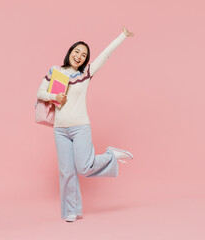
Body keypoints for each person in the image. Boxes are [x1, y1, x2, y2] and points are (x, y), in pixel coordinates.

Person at [37, 26, 135, 222]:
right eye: (77, 52)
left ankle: (110, 155)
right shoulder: (56, 71)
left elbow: (105, 54)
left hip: (80, 126)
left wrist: (122, 36)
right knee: (66, 172)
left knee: (84, 167)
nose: (79, 56)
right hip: (60, 130)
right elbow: (40, 93)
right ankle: (71, 212)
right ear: (70, 52)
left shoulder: (86, 74)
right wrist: (54, 96)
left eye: (83, 55)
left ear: (85, 60)